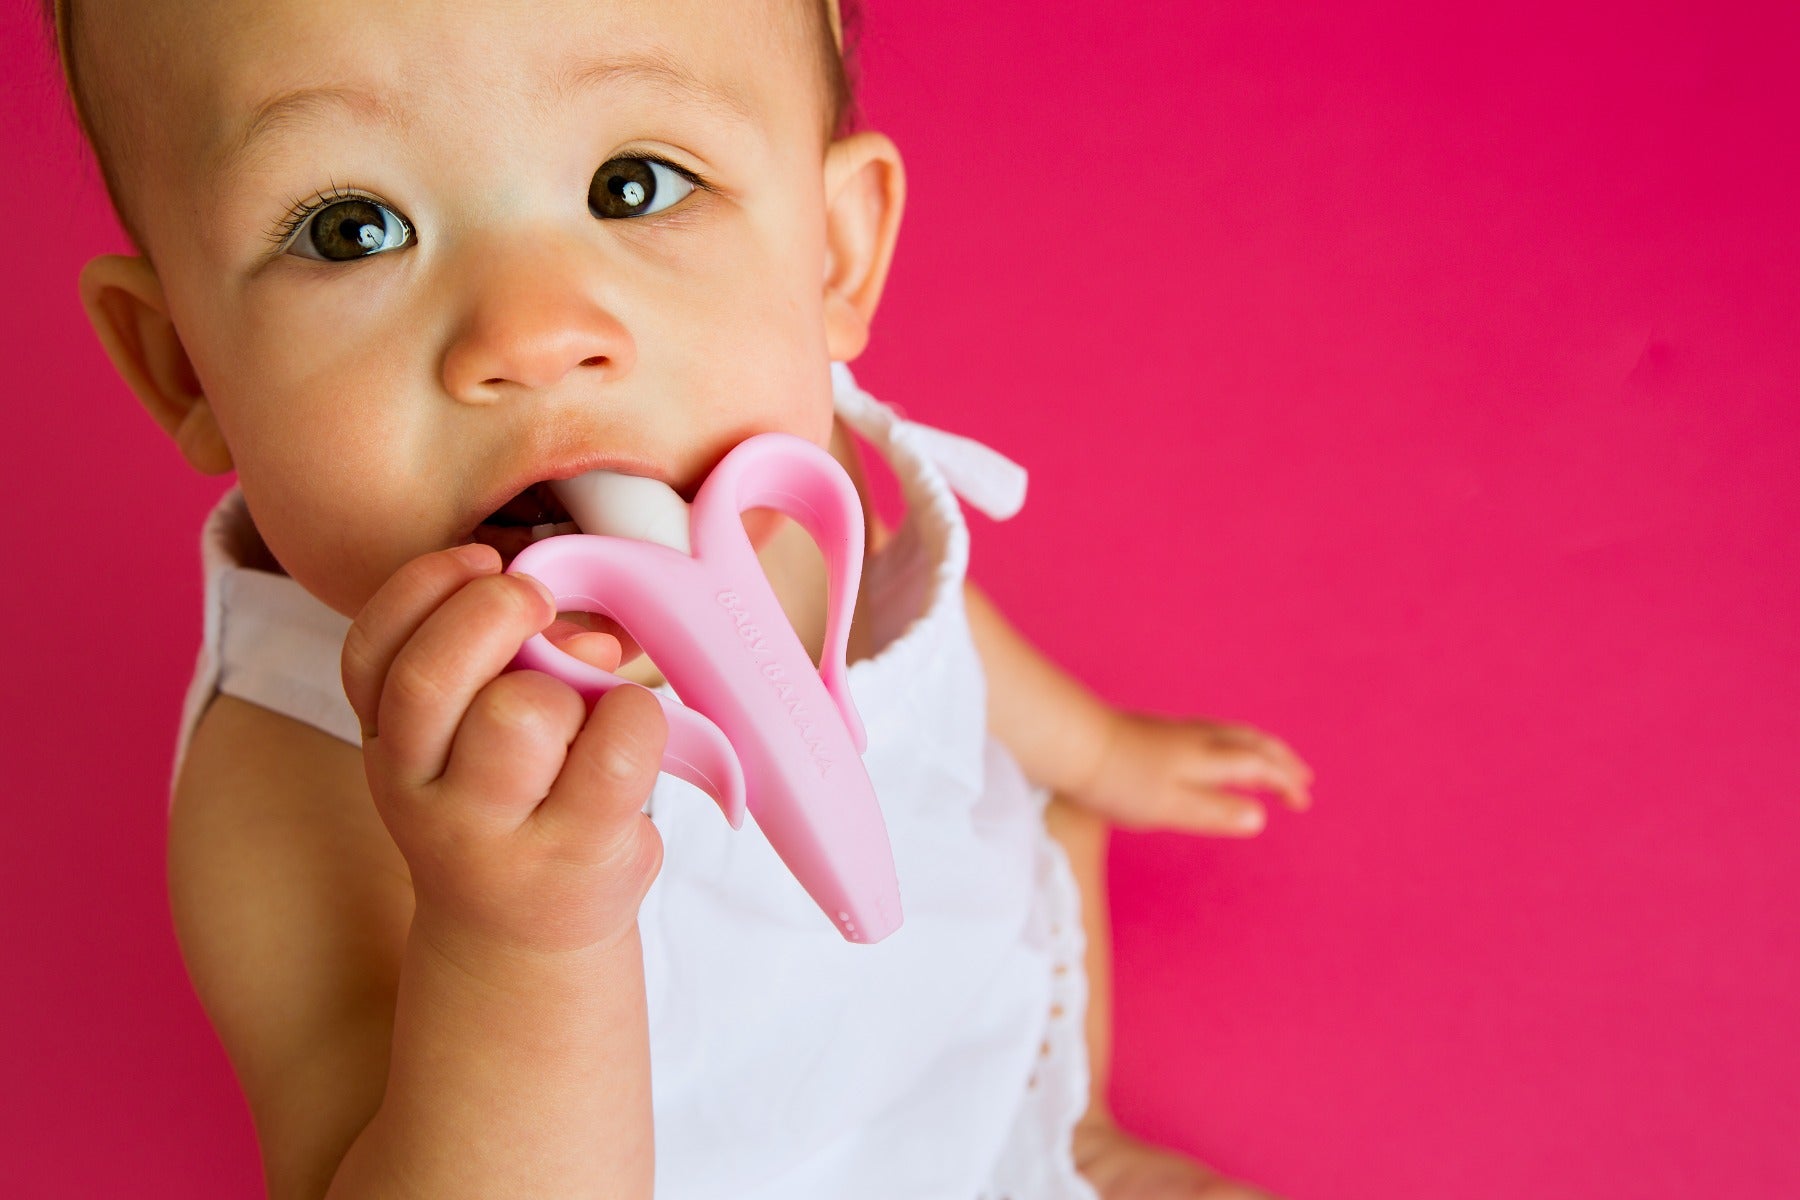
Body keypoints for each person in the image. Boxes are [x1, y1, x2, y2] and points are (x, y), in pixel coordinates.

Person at [48, 0, 1315, 1195]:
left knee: (1033, 895)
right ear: (186, 366)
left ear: (835, 254)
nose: (532, 335)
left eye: (632, 186)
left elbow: (924, 655)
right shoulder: (287, 775)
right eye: (353, 228)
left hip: (956, 1025)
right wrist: (518, 935)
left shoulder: (774, 508)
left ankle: (1054, 1141)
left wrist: (1096, 750)